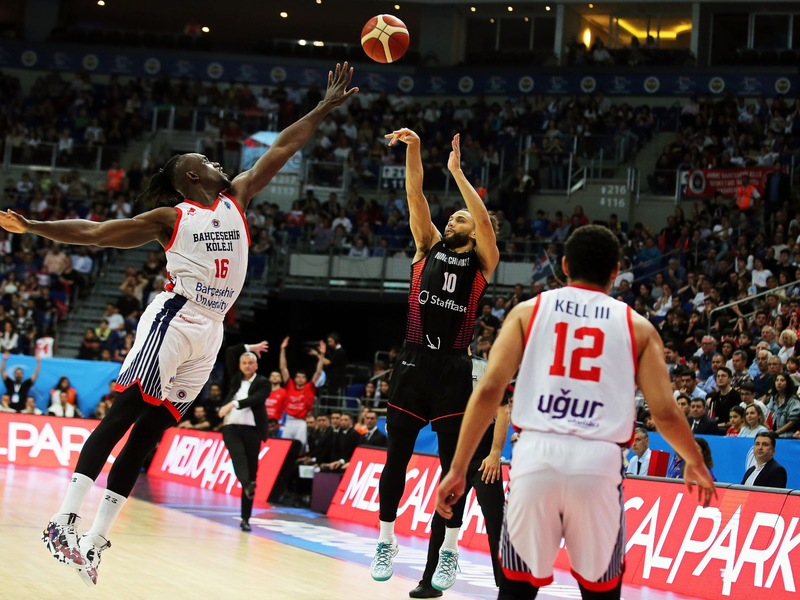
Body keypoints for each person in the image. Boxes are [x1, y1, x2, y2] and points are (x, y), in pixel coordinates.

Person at [20, 62, 357, 587]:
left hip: (213, 329)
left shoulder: (237, 198)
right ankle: (64, 519)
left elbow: (283, 149)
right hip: (176, 317)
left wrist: (321, 107)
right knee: (124, 414)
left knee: (151, 431)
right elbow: (96, 234)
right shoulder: (172, 218)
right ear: (192, 175)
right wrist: (33, 226)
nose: (218, 161)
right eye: (206, 159)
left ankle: (94, 540)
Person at [436, 225, 714, 600]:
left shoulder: (527, 312)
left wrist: (457, 468)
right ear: (616, 271)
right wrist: (694, 461)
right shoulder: (639, 327)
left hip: (536, 459)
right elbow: (664, 413)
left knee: (517, 590)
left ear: (564, 265)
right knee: (600, 591)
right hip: (598, 465)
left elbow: (488, 392)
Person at [372, 128, 500, 587]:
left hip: (454, 368)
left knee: (453, 467)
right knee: (396, 460)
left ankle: (449, 550)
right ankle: (386, 540)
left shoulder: (483, 261)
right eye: (453, 217)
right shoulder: (426, 247)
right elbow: (414, 194)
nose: (453, 221)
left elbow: (485, 224)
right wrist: (415, 150)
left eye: (461, 219)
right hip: (412, 363)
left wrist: (458, 173)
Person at [411, 353, 509, 598]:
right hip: (454, 456)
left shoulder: (485, 366)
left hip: (484, 456)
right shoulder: (437, 367)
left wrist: (496, 452)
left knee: (495, 518)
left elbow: (503, 410)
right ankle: (429, 583)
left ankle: (508, 588)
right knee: (441, 518)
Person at [217, 341, 270, 532]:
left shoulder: (263, 382)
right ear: (240, 366)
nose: (247, 366)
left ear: (256, 366)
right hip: (231, 428)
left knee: (251, 470)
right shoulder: (236, 379)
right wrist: (250, 348)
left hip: (252, 431)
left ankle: (245, 518)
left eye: (250, 363)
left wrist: (233, 404)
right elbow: (231, 350)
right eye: (244, 363)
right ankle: (246, 483)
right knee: (238, 457)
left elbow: (255, 399)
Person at [279, 337, 325, 449]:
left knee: (300, 447)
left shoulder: (309, 387)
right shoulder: (289, 385)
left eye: (303, 377)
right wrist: (282, 349)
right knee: (284, 447)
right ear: (294, 379)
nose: (300, 379)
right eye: (298, 377)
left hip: (301, 422)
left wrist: (322, 355)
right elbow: (283, 367)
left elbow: (318, 371)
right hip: (288, 422)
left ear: (306, 379)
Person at [767, 373, 800, 438]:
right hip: (773, 434)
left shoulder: (794, 401)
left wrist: (776, 433)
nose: (779, 383)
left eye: (782, 380)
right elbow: (769, 416)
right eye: (777, 380)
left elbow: (792, 422)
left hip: (788, 436)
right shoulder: (773, 398)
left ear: (787, 383)